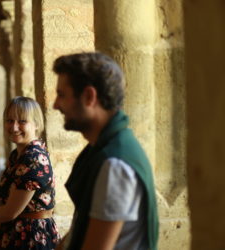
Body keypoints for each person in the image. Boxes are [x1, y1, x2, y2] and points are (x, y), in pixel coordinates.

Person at [52, 52, 159, 250]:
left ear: (89, 97)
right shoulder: (103, 149)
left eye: (62, 95)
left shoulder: (114, 164)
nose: (55, 105)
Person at [0, 96, 60, 249]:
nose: (14, 127)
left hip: (31, 238)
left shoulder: (33, 158)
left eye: (22, 121)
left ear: (36, 124)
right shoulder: (17, 155)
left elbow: (10, 212)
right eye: (9, 120)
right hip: (15, 233)